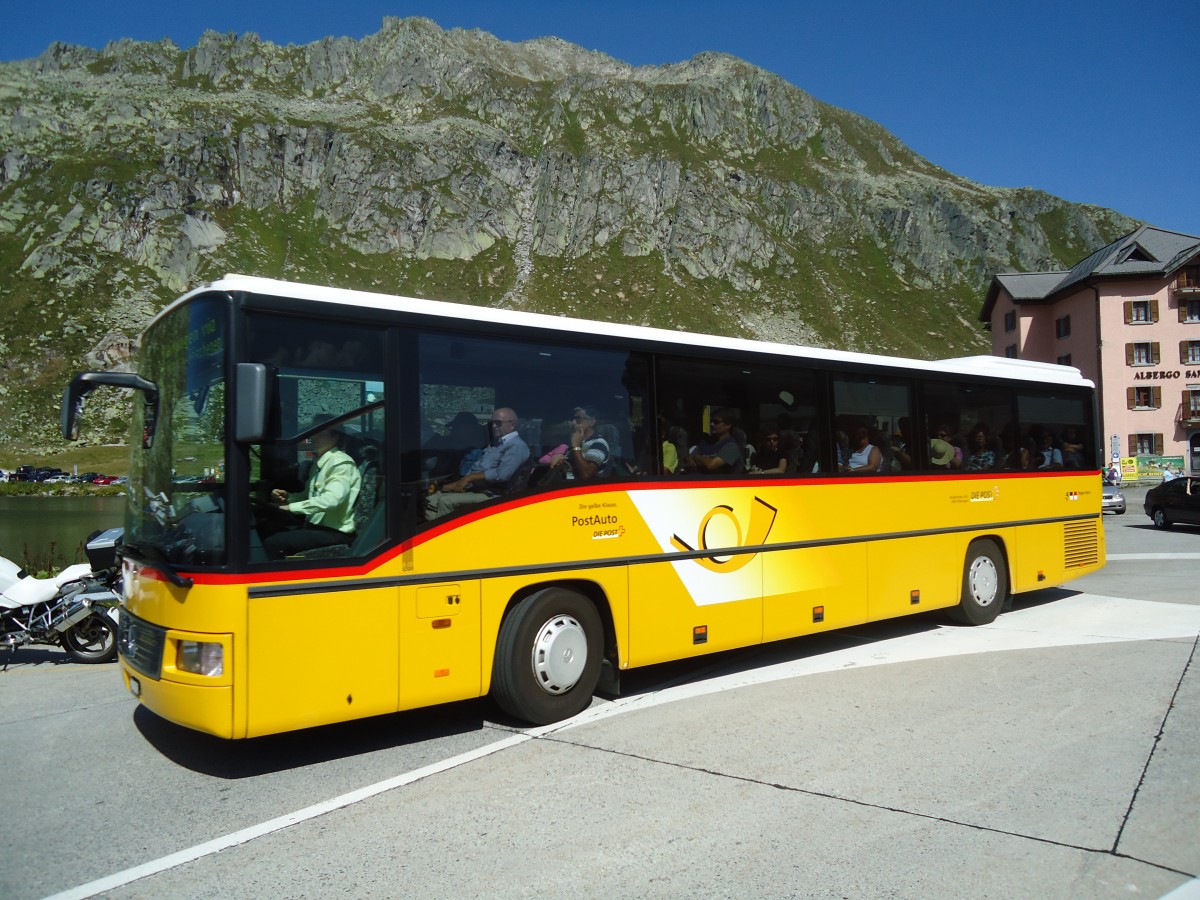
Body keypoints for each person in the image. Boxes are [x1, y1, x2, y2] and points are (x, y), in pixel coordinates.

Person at [264, 414, 363, 560]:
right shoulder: (319, 464)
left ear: (335, 437)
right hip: (317, 528)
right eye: (313, 432)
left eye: (320, 433)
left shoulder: (341, 464)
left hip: (335, 533)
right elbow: (308, 496)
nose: (313, 437)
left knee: (273, 543)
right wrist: (288, 498)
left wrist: (291, 508)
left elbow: (332, 500)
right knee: (268, 529)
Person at [426, 407, 530, 517]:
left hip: (495, 495)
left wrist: (470, 478)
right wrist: (455, 484)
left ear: (512, 425)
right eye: (492, 423)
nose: (494, 426)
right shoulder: (497, 444)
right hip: (476, 488)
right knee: (432, 499)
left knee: (445, 501)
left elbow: (502, 475)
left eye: (498, 423)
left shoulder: (517, 446)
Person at [546, 405, 611, 481]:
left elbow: (586, 475)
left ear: (591, 422)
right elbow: (571, 476)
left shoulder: (599, 444)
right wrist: (563, 466)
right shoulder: (574, 443)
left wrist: (576, 446)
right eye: (573, 419)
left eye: (578, 419)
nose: (574, 422)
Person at [689, 408, 743, 473]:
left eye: (716, 422)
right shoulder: (705, 443)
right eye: (711, 421)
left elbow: (711, 465)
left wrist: (696, 457)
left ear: (728, 425)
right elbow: (689, 460)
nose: (712, 424)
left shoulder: (731, 446)